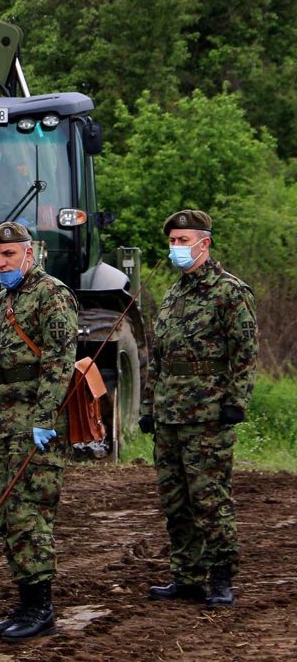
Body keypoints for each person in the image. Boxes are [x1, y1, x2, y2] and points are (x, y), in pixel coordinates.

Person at [140, 209, 258, 608]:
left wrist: (235, 402)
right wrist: (148, 406)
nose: (175, 249)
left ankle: (221, 576)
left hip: (207, 413)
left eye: (182, 241)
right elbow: (157, 357)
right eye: (172, 242)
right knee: (175, 500)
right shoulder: (174, 294)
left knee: (209, 497)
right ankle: (186, 576)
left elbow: (244, 353)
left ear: (203, 243)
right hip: (170, 411)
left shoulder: (229, 292)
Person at [0, 221, 77, 640]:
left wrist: (45, 418)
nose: (1, 263)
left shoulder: (52, 294)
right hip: (6, 426)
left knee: (30, 514)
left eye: (8, 254)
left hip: (36, 425)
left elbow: (58, 361)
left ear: (29, 253)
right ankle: (26, 599)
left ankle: (41, 608)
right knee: (10, 515)